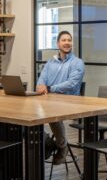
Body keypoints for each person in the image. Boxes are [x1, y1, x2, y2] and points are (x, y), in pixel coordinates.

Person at [36, 30, 85, 164]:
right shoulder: (50, 62)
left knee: (52, 112)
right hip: (50, 100)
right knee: (26, 113)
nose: (67, 43)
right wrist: (41, 86)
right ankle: (48, 143)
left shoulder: (77, 63)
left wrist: (50, 88)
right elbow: (42, 79)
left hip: (70, 102)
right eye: (64, 40)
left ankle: (62, 147)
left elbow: (71, 83)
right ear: (58, 43)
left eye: (69, 40)